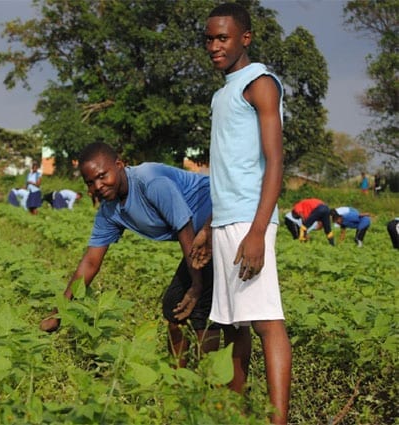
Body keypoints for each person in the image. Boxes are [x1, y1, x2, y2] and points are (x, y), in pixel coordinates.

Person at [40, 142, 223, 368]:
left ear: (119, 164)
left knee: (201, 311)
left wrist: (196, 285)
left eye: (102, 176)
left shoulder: (150, 181)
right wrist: (60, 312)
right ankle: (179, 378)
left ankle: (206, 387)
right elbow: (90, 262)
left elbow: (184, 227)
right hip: (197, 238)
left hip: (219, 219)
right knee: (175, 307)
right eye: (90, 182)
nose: (97, 186)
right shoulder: (109, 211)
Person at [205, 3, 291, 423]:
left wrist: (257, 231)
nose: (214, 46)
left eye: (223, 38)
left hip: (248, 220)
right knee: (234, 323)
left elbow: (274, 161)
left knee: (265, 321)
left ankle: (278, 421)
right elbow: (222, 169)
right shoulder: (223, 92)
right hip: (225, 220)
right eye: (209, 38)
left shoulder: (259, 83)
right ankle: (234, 413)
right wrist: (208, 228)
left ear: (245, 38)